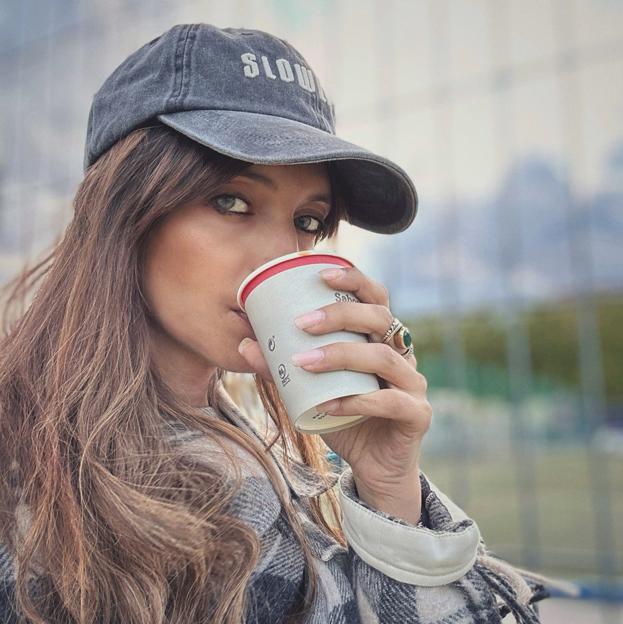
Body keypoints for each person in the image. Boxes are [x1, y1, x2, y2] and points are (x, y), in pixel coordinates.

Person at [0, 22, 558, 623]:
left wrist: (389, 483)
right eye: (230, 202)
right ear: (126, 214)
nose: (282, 254)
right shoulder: (47, 478)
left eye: (309, 219)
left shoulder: (247, 446)